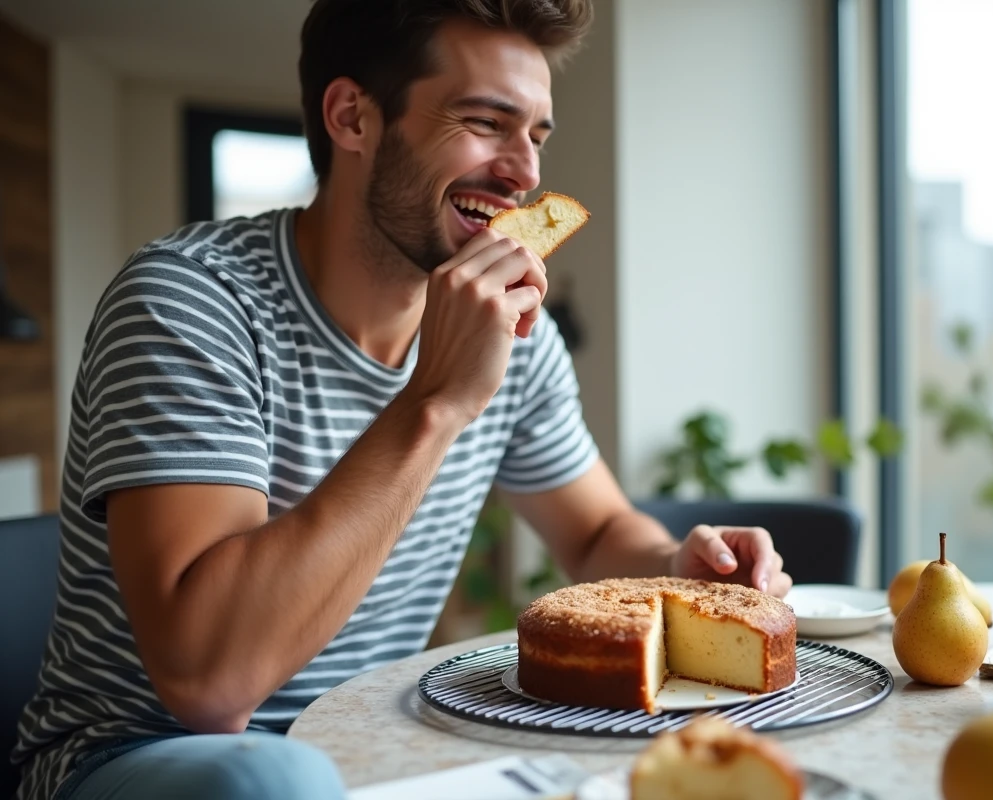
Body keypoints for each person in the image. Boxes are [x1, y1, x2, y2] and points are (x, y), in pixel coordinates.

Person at [12, 1, 793, 798]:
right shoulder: (191, 302)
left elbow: (593, 534)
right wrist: (438, 401)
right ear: (353, 117)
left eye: (536, 135)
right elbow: (209, 683)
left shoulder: (517, 338)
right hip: (139, 760)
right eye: (486, 121)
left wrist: (678, 564)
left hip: (369, 754)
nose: (524, 172)